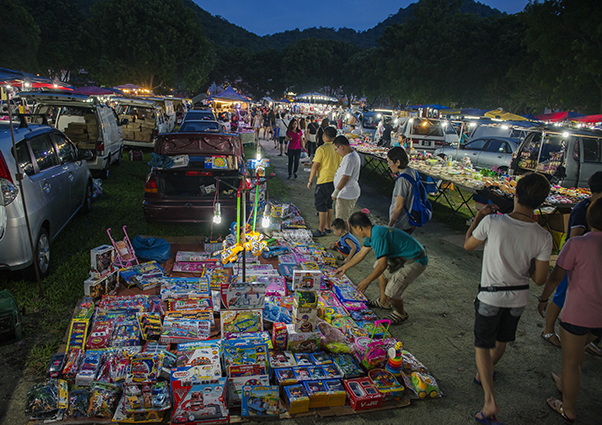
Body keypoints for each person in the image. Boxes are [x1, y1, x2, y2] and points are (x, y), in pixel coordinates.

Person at [464, 172, 553, 425]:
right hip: (518, 298)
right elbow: (539, 279)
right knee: (502, 338)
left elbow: (469, 245)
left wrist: (479, 217)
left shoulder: (493, 222)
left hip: (491, 296)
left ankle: (489, 399)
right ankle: (485, 374)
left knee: (482, 343)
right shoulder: (543, 236)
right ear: (541, 202)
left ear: (515, 195)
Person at [537, 198, 602, 423]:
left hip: (578, 316)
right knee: (576, 355)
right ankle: (565, 381)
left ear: (589, 218)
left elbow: (556, 276)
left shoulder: (577, 244)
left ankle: (568, 408)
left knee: (572, 362)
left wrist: (544, 299)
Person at [540, 171, 602, 356]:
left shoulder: (594, 207)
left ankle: (584, 341)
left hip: (588, 263)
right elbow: (574, 238)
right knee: (561, 295)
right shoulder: (585, 208)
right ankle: (548, 330)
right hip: (575, 261)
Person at [335, 211, 428, 324]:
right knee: (378, 269)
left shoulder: (378, 235)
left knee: (393, 292)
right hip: (402, 255)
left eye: (353, 229)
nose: (354, 232)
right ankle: (383, 301)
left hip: (415, 259)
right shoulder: (372, 232)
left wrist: (367, 281)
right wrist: (345, 267)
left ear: (359, 228)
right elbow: (360, 254)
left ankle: (401, 313)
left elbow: (383, 264)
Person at [307, 127, 340, 237]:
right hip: (334, 180)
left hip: (323, 180)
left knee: (321, 205)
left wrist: (310, 180)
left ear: (324, 135)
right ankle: (327, 227)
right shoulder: (337, 149)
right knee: (329, 204)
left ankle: (321, 230)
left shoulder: (321, 149)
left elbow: (315, 166)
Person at [386, 147, 418, 234]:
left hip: (401, 223)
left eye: (389, 162)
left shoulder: (402, 180)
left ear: (398, 162)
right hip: (411, 219)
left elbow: (399, 206)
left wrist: (390, 225)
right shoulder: (412, 171)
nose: (388, 165)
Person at [332, 135, 361, 224]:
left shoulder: (350, 158)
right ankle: (347, 237)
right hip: (346, 193)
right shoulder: (348, 156)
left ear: (342, 146)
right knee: (346, 220)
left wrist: (336, 191)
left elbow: (345, 177)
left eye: (336, 149)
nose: (337, 152)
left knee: (342, 222)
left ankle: (345, 238)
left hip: (346, 194)